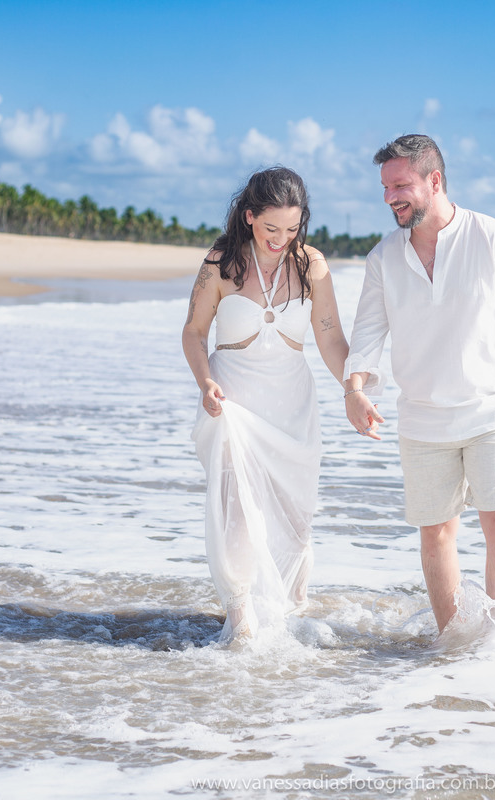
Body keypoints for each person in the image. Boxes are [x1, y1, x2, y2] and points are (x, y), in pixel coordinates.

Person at [343, 134, 495, 635]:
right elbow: (367, 330)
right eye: (385, 187)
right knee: (437, 535)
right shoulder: (384, 258)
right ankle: (451, 644)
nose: (390, 198)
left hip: (492, 412)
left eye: (400, 185)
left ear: (435, 180)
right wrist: (355, 387)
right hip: (422, 418)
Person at [182, 166, 348, 643]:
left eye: (292, 229)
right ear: (249, 216)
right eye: (272, 228)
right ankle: (240, 622)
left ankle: (287, 615)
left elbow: (331, 337)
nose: (281, 239)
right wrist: (205, 382)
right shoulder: (221, 262)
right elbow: (193, 332)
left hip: (293, 405)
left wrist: (353, 389)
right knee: (235, 508)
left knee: (296, 517)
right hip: (230, 401)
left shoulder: (311, 265)